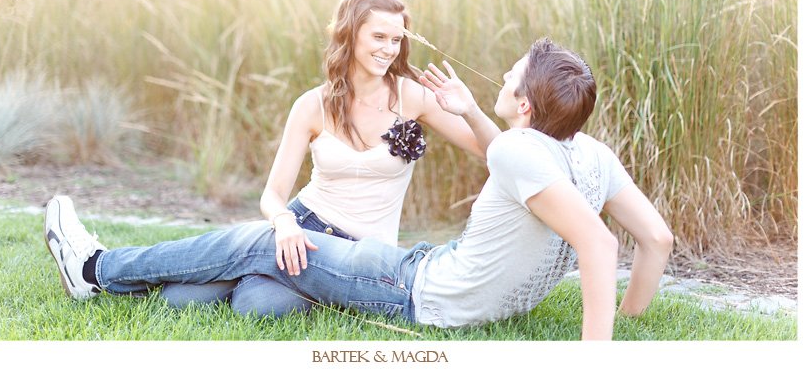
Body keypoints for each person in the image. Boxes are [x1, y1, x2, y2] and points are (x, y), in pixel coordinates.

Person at [44, 38, 673, 340]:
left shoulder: (515, 149)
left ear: (527, 105)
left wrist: (598, 353)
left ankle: (95, 267)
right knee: (262, 273)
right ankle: (119, 281)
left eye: (512, 76)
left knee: (261, 248)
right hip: (419, 270)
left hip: (411, 287)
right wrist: (634, 318)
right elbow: (657, 239)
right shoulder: (591, 155)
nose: (504, 73)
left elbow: (599, 245)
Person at [157, 0, 500, 316]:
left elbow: (497, 154)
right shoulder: (313, 105)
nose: (389, 49)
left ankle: (249, 267)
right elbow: (272, 195)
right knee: (178, 297)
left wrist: (470, 109)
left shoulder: (411, 96)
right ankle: (240, 262)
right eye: (378, 37)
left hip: (358, 255)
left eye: (396, 40)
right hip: (303, 225)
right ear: (350, 35)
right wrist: (285, 223)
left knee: (256, 306)